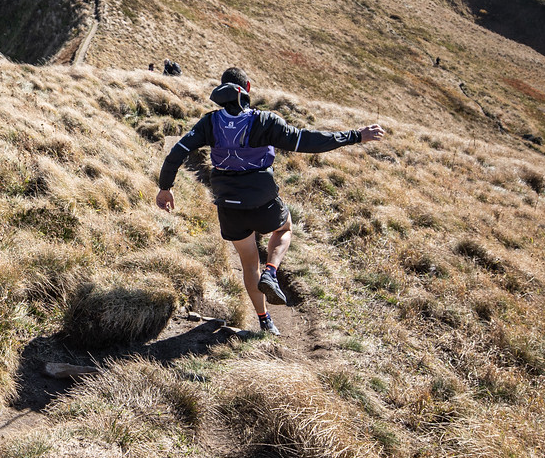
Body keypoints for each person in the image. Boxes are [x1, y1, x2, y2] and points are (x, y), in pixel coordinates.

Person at [154, 68, 385, 336]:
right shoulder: (265, 121)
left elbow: (176, 153)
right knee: (284, 228)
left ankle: (264, 320)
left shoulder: (209, 123)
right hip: (262, 199)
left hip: (229, 205)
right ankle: (272, 272)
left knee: (249, 263)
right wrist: (356, 135)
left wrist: (165, 188)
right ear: (247, 88)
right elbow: (308, 141)